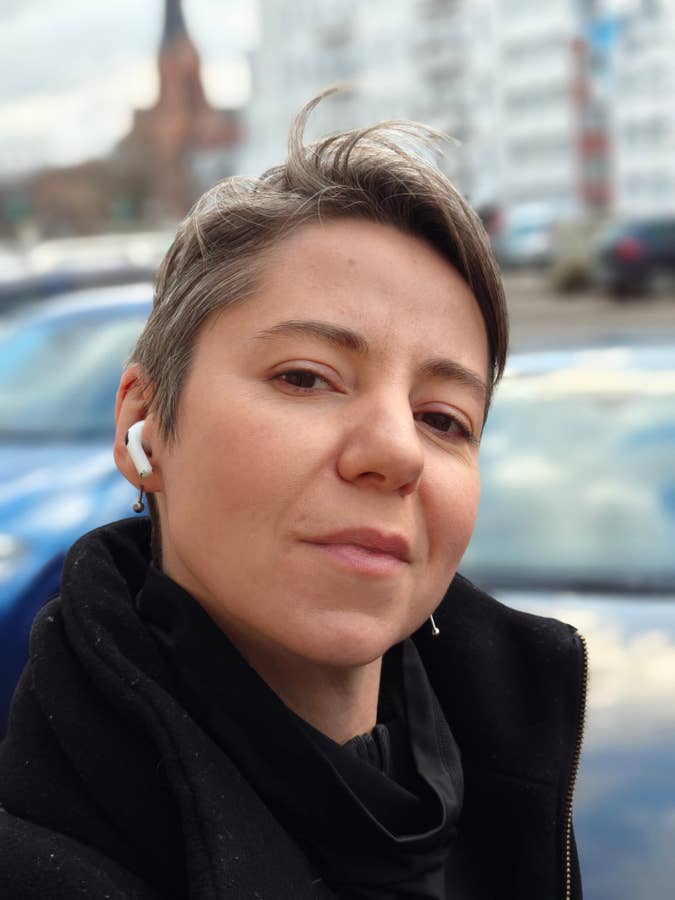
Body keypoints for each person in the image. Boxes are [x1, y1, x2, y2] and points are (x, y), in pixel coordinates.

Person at [0, 94, 586, 900]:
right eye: (305, 377)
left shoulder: (518, 778)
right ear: (145, 423)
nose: (396, 452)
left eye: (443, 419)